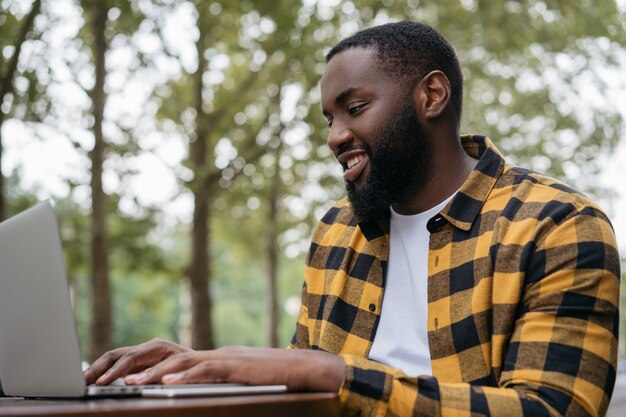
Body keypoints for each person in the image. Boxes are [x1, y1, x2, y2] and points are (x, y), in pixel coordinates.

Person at [84, 21, 620, 417]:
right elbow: (303, 385)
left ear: (431, 95)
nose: (334, 135)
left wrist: (333, 374)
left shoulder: (559, 225)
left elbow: (555, 409)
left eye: (354, 108)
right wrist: (200, 370)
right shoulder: (338, 230)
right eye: (329, 118)